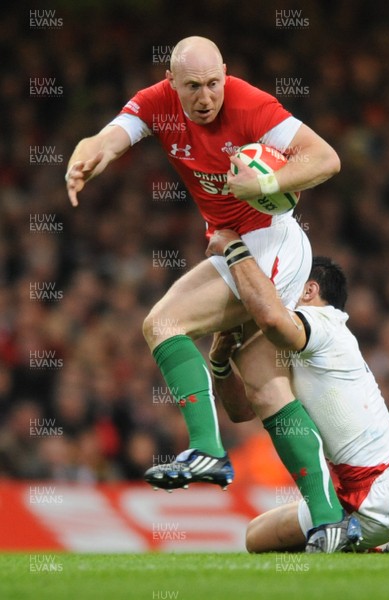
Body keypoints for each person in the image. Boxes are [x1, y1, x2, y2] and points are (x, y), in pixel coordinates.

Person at [65, 35, 356, 546]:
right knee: (262, 389)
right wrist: (86, 155)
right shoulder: (156, 103)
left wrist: (265, 184)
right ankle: (328, 517)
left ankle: (206, 449)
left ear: (226, 73)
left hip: (269, 239)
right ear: (172, 83)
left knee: (163, 322)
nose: (205, 97)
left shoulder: (250, 104)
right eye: (193, 86)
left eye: (213, 83)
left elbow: (326, 159)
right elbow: (110, 136)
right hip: (232, 244)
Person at [206, 229, 389, 552]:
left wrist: (234, 248)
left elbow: (271, 320)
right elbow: (241, 411)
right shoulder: (320, 340)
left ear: (310, 289)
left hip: (374, 494)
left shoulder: (319, 320)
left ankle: (384, 547)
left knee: (256, 537)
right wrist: (220, 363)